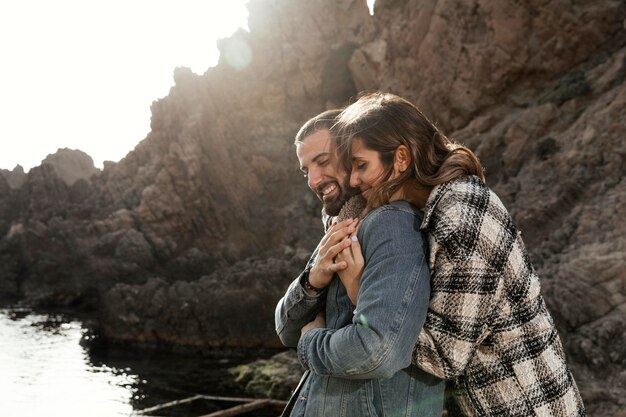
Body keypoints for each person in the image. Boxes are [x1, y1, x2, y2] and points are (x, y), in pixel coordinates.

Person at [331, 91, 586, 417]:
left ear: (401, 158)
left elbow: (444, 354)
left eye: (361, 165)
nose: (353, 180)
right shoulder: (439, 206)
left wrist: (358, 288)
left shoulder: (461, 217)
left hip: (526, 405)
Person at [275, 109, 445, 417]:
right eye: (305, 170)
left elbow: (378, 350)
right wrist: (313, 281)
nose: (313, 180)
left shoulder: (391, 224)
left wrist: (309, 343)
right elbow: (285, 328)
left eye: (323, 162)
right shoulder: (345, 222)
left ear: (352, 152)